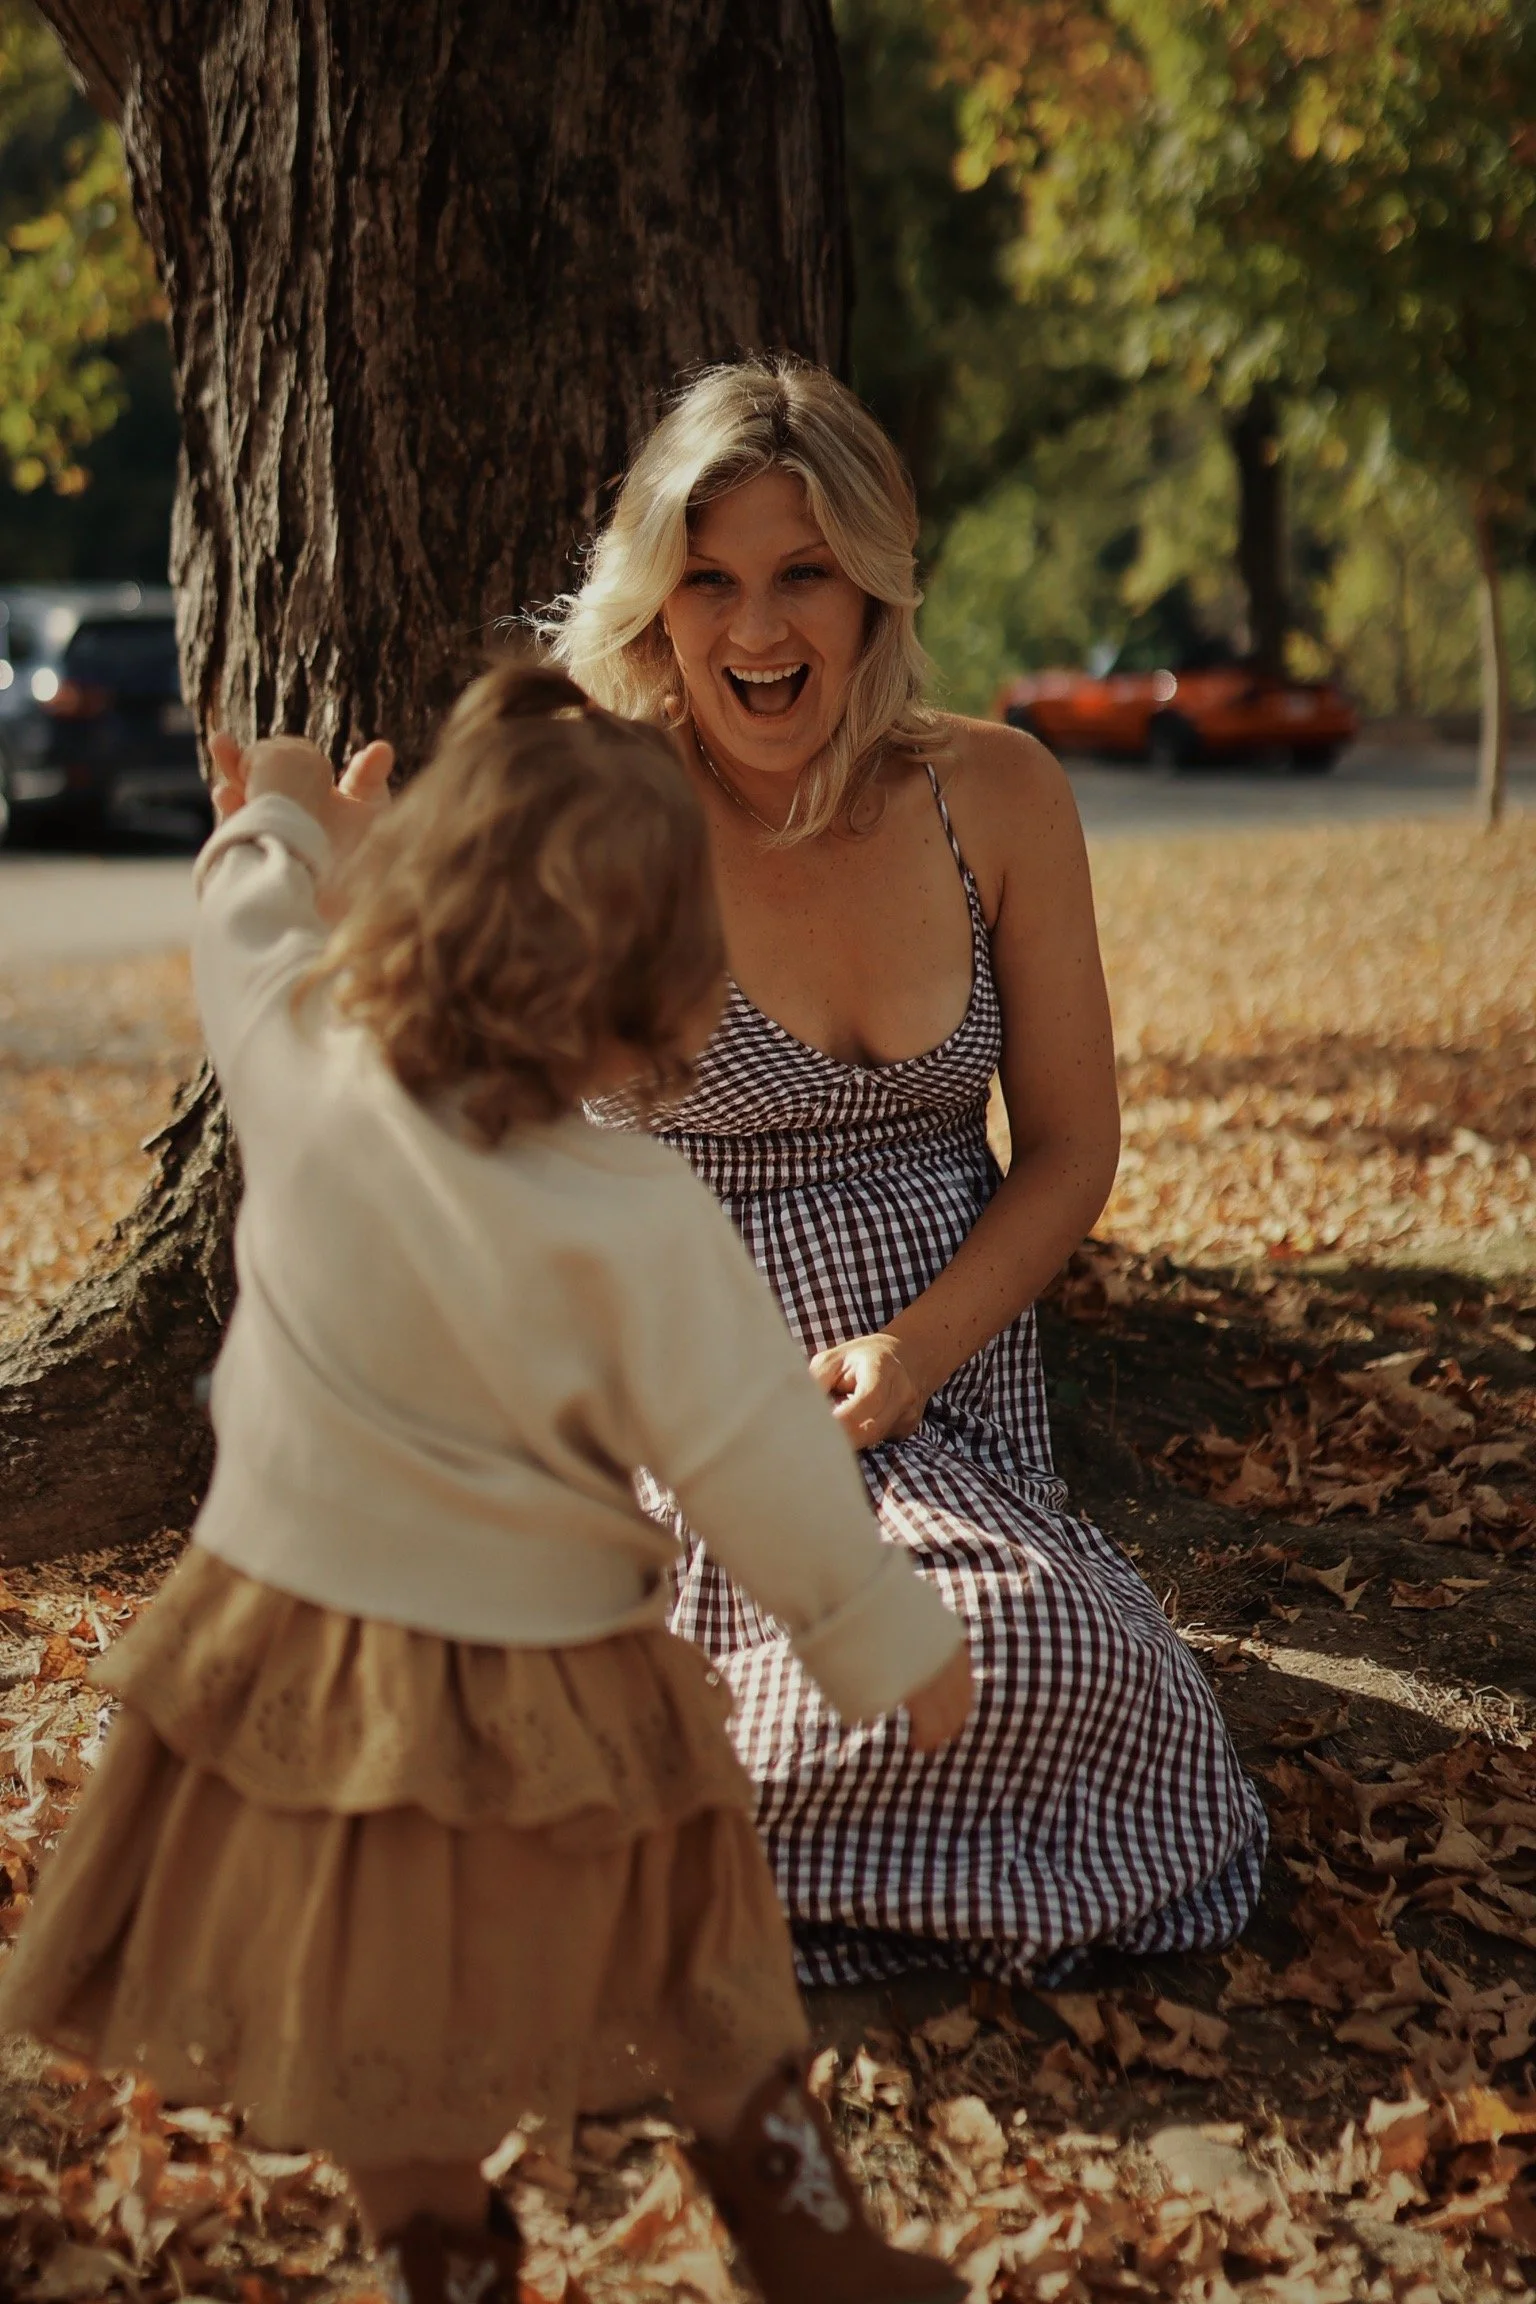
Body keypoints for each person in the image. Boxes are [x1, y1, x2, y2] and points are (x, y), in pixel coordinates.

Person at [0, 662, 973, 2304]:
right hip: (559, 1667)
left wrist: (298, 813)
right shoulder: (642, 1212)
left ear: (421, 899)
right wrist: (878, 1637)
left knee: (379, 2010)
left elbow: (246, 909)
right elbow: (757, 1449)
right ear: (673, 995)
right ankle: (803, 2222)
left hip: (305, 1658)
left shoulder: (311, 1060)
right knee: (698, 1942)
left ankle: (442, 2250)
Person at [547, 357, 1269, 1988]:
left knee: (1042, 1652)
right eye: (711, 579)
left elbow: (1071, 1145)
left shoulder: (996, 793)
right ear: (656, 601)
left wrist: (917, 1351)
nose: (757, 631)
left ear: (875, 581)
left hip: (948, 1403)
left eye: (803, 573)